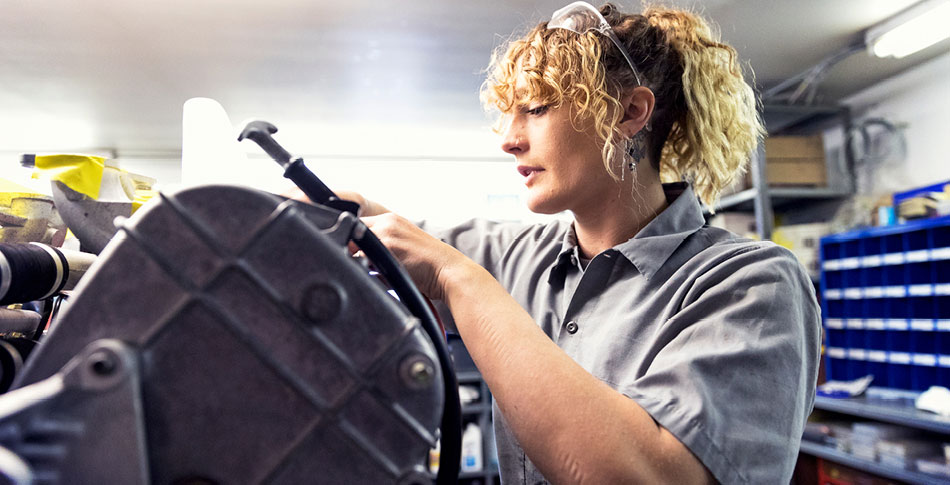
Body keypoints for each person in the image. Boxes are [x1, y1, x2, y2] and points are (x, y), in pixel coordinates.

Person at [312, 2, 821, 483]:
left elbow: (650, 476)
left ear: (629, 113)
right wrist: (310, 208)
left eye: (535, 108)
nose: (509, 139)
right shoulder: (521, 255)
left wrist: (457, 278)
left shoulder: (751, 283)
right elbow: (382, 228)